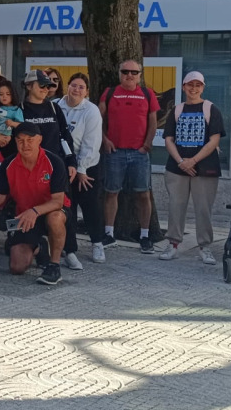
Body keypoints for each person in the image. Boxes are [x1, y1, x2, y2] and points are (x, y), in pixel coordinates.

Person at [0, 123, 69, 287]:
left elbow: (58, 201)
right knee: (16, 267)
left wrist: (35, 211)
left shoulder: (54, 162)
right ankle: (39, 247)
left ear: (39, 140)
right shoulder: (9, 164)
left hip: (51, 210)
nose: (25, 145)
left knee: (55, 218)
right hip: (23, 216)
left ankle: (54, 266)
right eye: (20, 140)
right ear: (15, 142)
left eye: (30, 140)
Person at [20, 69, 81, 268]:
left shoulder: (55, 109)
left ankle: (70, 251)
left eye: (49, 86)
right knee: (31, 205)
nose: (46, 89)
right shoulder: (20, 109)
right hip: (30, 168)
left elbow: (65, 137)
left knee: (64, 207)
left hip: (57, 167)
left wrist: (71, 162)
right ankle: (36, 245)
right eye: (42, 85)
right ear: (29, 86)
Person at [161, 71, 224, 263]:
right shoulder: (177, 110)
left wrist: (193, 161)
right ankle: (172, 244)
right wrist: (181, 161)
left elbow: (214, 140)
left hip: (205, 168)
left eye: (198, 85)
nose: (193, 89)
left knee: (203, 209)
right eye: (190, 85)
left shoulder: (211, 109)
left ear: (203, 87)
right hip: (177, 166)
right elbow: (169, 139)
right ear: (183, 87)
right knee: (175, 207)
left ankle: (205, 247)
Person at [100, 59, 160, 254]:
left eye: (134, 72)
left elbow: (153, 123)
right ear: (119, 73)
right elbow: (96, 120)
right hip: (114, 152)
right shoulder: (109, 93)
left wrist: (147, 145)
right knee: (111, 192)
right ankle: (109, 233)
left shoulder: (147, 93)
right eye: (125, 71)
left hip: (139, 153)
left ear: (140, 75)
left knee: (143, 194)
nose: (129, 75)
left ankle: (144, 236)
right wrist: (105, 140)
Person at [57, 73, 106, 263]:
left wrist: (81, 169)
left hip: (87, 167)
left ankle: (97, 244)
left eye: (81, 87)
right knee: (68, 208)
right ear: (67, 86)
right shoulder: (56, 106)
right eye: (73, 85)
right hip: (63, 167)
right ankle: (69, 248)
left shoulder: (91, 111)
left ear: (86, 91)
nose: (76, 90)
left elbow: (91, 143)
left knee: (91, 206)